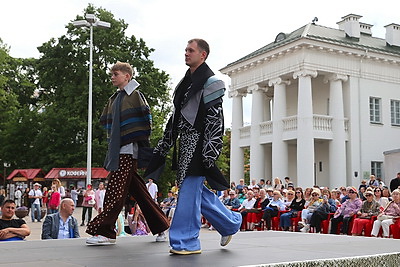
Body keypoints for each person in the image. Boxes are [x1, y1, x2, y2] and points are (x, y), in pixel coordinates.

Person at [144, 39, 241, 255]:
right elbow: (175, 118)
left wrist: (210, 153)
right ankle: (230, 223)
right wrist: (164, 145)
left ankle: (185, 241)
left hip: (200, 145)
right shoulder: (184, 84)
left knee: (188, 192)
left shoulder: (212, 82)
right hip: (184, 144)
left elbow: (216, 121)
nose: (186, 53)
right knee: (194, 192)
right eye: (185, 50)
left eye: (191, 50)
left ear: (203, 55)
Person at [86, 61, 169, 245]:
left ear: (127, 76)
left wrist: (133, 138)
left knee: (114, 191)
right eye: (112, 74)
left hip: (128, 151)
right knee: (140, 193)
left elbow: (145, 121)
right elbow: (108, 122)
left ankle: (105, 232)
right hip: (119, 150)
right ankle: (161, 226)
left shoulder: (135, 95)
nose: (112, 77)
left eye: (116, 74)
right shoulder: (115, 98)